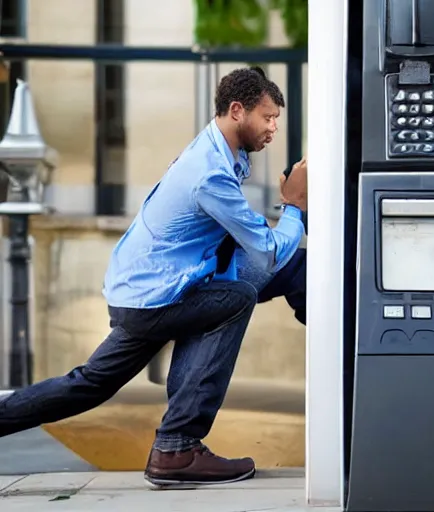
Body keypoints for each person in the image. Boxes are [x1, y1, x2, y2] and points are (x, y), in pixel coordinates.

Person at [0, 66, 308, 487]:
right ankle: (177, 447)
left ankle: (342, 371)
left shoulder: (221, 152)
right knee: (236, 296)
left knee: (90, 384)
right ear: (238, 110)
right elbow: (267, 247)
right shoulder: (209, 171)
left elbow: (255, 248)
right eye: (268, 117)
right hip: (155, 297)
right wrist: (294, 206)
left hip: (156, 286)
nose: (274, 127)